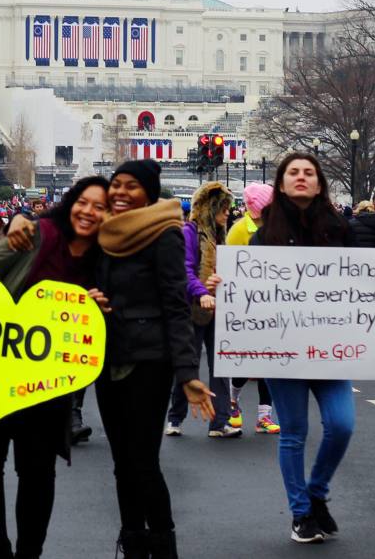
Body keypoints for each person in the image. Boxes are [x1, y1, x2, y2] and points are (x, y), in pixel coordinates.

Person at [0, 176, 117, 559]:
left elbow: (107, 317)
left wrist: (98, 304)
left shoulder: (108, 259)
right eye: (84, 202)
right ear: (71, 202)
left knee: (38, 475)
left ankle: (29, 554)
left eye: (101, 206)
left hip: (47, 387)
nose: (89, 212)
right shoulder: (39, 234)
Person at [252, 152, 375, 544]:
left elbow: (358, 281)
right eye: (293, 172)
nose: (301, 178)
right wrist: (223, 289)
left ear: (319, 183)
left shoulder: (340, 228)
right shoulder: (263, 236)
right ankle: (301, 513)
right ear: (281, 183)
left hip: (331, 350)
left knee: (342, 424)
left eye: (308, 173)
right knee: (294, 433)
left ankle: (317, 492)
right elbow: (251, 292)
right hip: (283, 351)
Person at [89, 160, 212, 558]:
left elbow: (176, 307)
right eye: (116, 185)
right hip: (108, 359)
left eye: (131, 186)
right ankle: (133, 542)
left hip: (149, 361)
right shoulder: (103, 233)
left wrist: (187, 374)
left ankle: (162, 543)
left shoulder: (164, 235)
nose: (121, 193)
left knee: (143, 461)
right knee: (121, 461)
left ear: (149, 192)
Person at [166, 181, 239, 439]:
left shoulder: (222, 236)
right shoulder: (189, 231)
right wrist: (201, 293)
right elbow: (184, 269)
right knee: (190, 363)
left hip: (220, 309)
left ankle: (220, 422)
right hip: (193, 308)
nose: (228, 213)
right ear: (210, 209)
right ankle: (175, 417)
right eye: (223, 208)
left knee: (221, 366)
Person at [224, 182, 277, 432]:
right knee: (246, 362)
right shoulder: (238, 231)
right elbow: (230, 271)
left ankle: (264, 416)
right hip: (247, 307)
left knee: (271, 362)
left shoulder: (277, 229)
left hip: (273, 305)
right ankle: (233, 401)